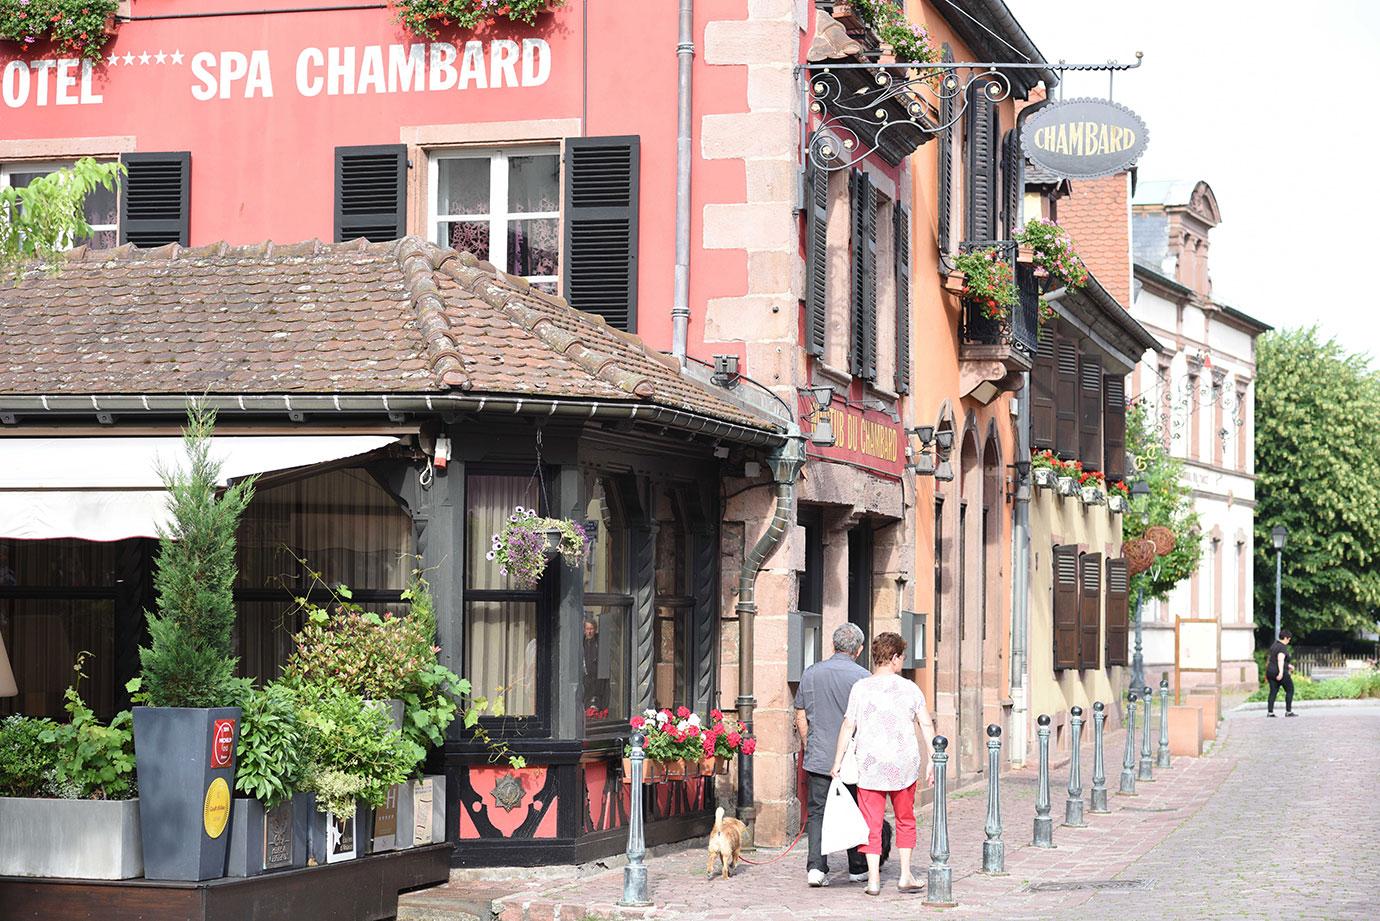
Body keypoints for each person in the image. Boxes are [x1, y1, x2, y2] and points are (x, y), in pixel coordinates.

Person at [832, 631, 935, 897]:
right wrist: (933, 758)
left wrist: (838, 760)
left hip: (870, 764)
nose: (903, 661)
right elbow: (925, 723)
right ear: (894, 657)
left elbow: (848, 725)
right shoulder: (910, 688)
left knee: (871, 823)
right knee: (905, 819)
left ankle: (874, 880)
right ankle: (905, 874)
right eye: (901, 656)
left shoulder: (861, 687)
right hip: (903, 764)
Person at [793, 622, 889, 887]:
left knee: (817, 812)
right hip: (853, 759)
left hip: (819, 755)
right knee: (856, 811)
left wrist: (808, 744)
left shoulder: (811, 673)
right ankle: (857, 866)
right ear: (858, 650)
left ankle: (816, 867)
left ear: (833, 645)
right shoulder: (863, 677)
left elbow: (800, 715)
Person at [1266, 629, 1296, 717]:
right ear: (1286, 638)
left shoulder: (1274, 645)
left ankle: (1270, 712)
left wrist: (1288, 666)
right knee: (1290, 690)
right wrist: (1281, 673)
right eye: (1289, 639)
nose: (1289, 641)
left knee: (1273, 692)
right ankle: (1288, 711)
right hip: (1279, 672)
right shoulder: (1282, 647)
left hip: (1270, 671)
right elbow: (1280, 660)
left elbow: (1273, 659)